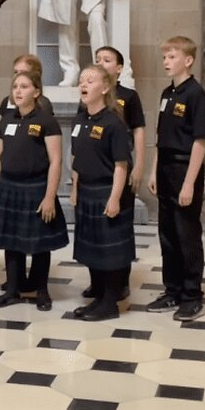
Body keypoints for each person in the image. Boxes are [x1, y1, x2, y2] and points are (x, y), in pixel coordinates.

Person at [0, 71, 69, 312]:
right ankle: (12, 290)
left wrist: (48, 196)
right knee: (11, 243)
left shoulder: (46, 121)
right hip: (9, 187)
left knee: (39, 244)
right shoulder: (7, 121)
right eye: (15, 87)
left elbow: (56, 161)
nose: (18, 91)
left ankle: (41, 291)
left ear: (36, 92)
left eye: (24, 86)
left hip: (36, 187)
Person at [146, 36, 205, 322]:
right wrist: (153, 170)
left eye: (172, 57)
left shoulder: (196, 94)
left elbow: (200, 141)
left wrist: (188, 183)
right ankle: (172, 289)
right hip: (165, 168)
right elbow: (161, 138)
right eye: (164, 57)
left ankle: (191, 294)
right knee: (167, 234)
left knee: (187, 234)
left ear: (188, 60)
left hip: (186, 170)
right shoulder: (166, 94)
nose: (166, 62)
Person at [69, 65, 133, 322]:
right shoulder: (80, 120)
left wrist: (115, 197)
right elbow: (77, 159)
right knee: (92, 249)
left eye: (90, 81)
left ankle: (110, 303)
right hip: (86, 190)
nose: (83, 85)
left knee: (109, 252)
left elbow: (121, 165)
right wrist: (75, 188)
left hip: (107, 190)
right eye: (81, 80)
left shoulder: (113, 122)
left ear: (105, 88)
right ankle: (98, 297)